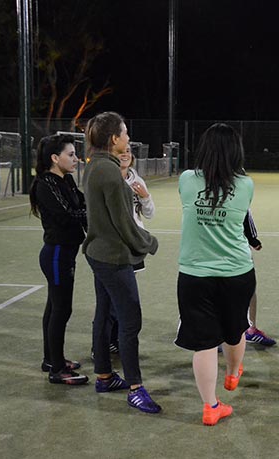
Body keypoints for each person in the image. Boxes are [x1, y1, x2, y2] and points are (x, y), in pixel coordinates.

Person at [175, 123, 256, 426]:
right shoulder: (246, 184)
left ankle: (210, 407)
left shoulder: (186, 180)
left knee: (204, 342)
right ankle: (233, 375)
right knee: (235, 328)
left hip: (194, 275)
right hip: (237, 272)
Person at [82, 111, 161, 414]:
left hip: (98, 253)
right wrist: (149, 243)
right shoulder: (110, 173)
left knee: (104, 314)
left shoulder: (94, 166)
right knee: (130, 322)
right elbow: (125, 224)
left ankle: (103, 376)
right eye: (125, 133)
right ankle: (135, 388)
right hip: (112, 258)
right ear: (114, 139)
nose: (128, 138)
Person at [29, 134, 89, 385]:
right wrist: (90, 213)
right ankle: (57, 370)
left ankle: (51, 359)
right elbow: (67, 215)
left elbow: (81, 205)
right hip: (56, 254)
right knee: (61, 309)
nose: (76, 159)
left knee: (54, 307)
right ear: (55, 158)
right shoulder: (46, 183)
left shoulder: (66, 179)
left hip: (66, 252)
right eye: (71, 154)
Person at [243, 210, 276, 346]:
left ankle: (217, 335)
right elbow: (246, 217)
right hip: (236, 254)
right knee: (247, 288)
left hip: (206, 253)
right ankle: (249, 329)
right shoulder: (239, 193)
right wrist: (253, 240)